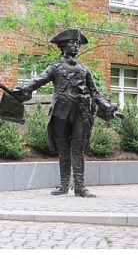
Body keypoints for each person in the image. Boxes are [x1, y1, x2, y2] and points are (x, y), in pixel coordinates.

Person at [13, 29, 119, 198]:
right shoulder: (55, 67)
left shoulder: (84, 70)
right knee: (63, 150)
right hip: (60, 112)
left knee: (78, 151)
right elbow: (38, 80)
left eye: (77, 43)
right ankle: (63, 185)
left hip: (81, 113)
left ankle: (80, 186)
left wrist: (108, 106)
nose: (76, 46)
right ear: (63, 46)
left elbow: (95, 93)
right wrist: (22, 87)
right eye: (72, 42)